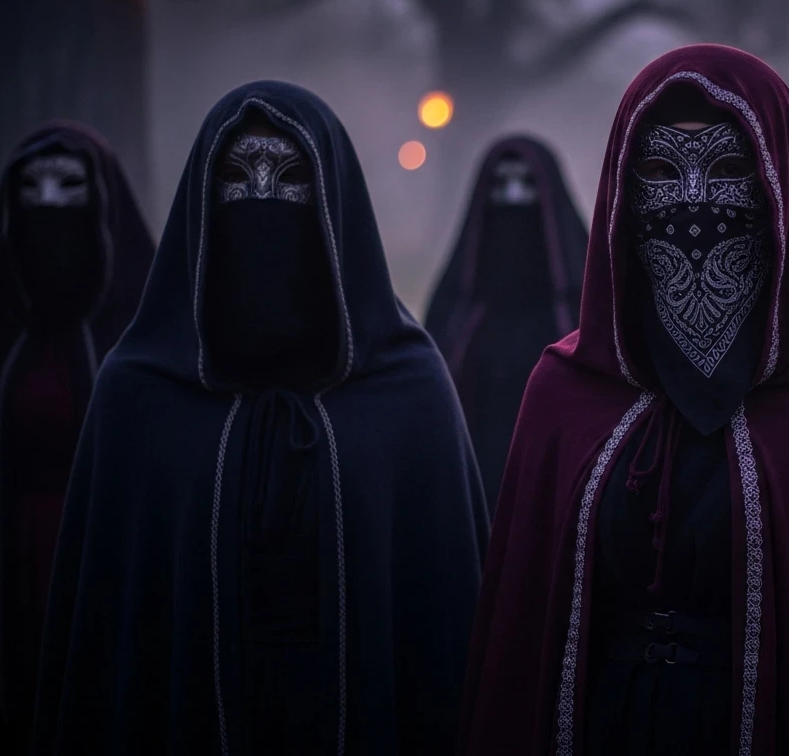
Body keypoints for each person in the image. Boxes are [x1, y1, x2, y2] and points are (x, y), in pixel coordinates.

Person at [460, 45, 789, 755]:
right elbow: (519, 650)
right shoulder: (567, 395)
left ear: (779, 191)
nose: (694, 201)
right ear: (622, 199)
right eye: (662, 173)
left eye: (730, 171)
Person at [31, 82, 488, 755]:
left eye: (290, 179)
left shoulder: (405, 392)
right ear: (205, 205)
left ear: (333, 204)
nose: (264, 202)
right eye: (240, 180)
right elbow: (106, 645)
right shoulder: (141, 396)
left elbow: (444, 634)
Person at [0, 122, 154, 754]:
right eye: (33, 191)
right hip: (7, 560)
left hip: (108, 559)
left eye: (68, 188)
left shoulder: (141, 331)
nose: (49, 207)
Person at [426, 135, 588, 513]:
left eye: (526, 185)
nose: (514, 198)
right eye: (501, 186)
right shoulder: (457, 317)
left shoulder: (578, 312)